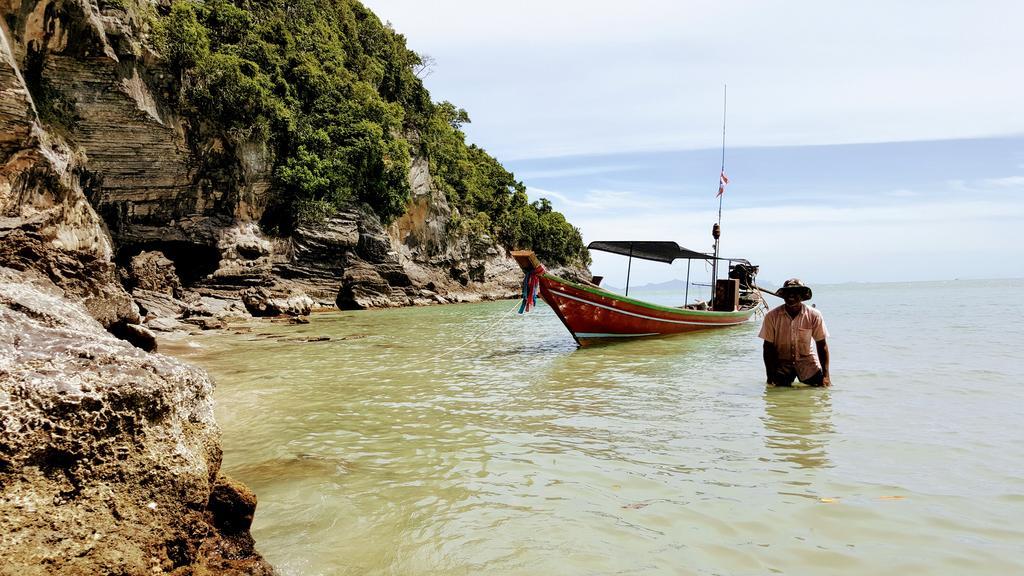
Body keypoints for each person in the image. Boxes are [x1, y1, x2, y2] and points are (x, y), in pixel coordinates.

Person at [759, 278, 830, 387]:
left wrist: (826, 375)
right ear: (783, 295)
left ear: (802, 296)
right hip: (782, 365)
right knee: (776, 395)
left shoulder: (814, 315)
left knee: (823, 389)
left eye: (795, 292)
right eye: (787, 292)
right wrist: (769, 376)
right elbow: (768, 348)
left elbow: (821, 345)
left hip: (808, 364)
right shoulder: (771, 316)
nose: (791, 295)